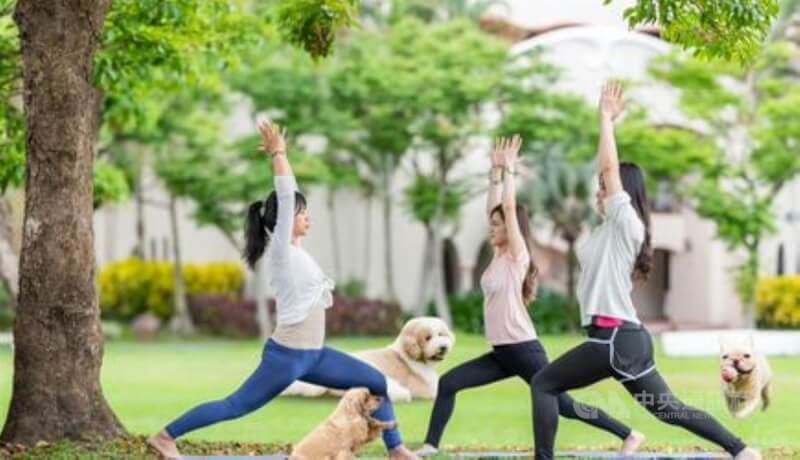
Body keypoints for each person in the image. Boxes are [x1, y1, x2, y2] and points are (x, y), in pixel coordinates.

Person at [147, 121, 419, 460]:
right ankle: (165, 437)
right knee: (236, 405)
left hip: (315, 355)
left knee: (376, 380)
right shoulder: (280, 252)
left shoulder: (297, 253)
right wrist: (279, 154)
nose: (308, 219)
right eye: (302, 213)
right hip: (287, 357)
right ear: (287, 219)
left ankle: (397, 450)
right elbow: (287, 193)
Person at [529, 82, 762, 460]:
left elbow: (607, 166)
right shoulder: (605, 230)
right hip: (624, 340)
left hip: (612, 338)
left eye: (603, 186)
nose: (597, 190)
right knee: (669, 410)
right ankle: (741, 450)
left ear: (621, 190)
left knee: (543, 384)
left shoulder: (627, 223)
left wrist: (605, 119)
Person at [416, 135, 644, 457]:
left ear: (511, 229)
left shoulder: (516, 257)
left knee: (565, 406)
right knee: (449, 383)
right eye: (491, 224)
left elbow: (508, 208)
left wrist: (509, 173)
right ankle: (430, 446)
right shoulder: (497, 258)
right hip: (501, 353)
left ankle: (629, 433)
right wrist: (494, 172)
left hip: (524, 349)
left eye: (498, 225)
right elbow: (494, 208)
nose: (491, 228)